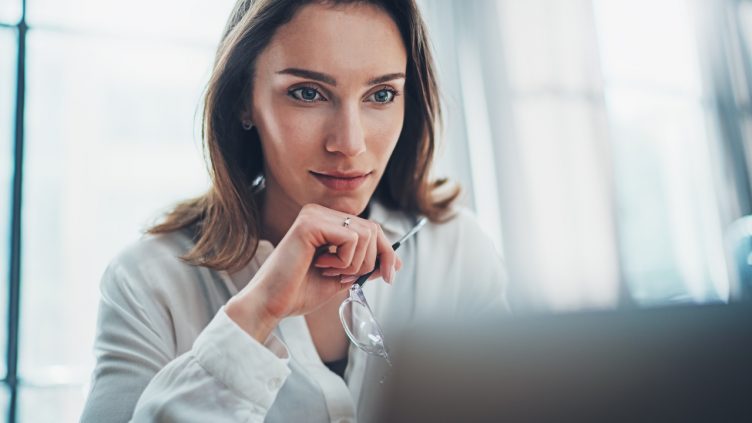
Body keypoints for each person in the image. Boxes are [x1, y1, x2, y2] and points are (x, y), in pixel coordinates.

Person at [80, 0, 508, 421]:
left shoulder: (457, 251)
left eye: (381, 94)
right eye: (308, 93)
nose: (350, 142)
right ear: (242, 102)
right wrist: (256, 314)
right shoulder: (147, 283)